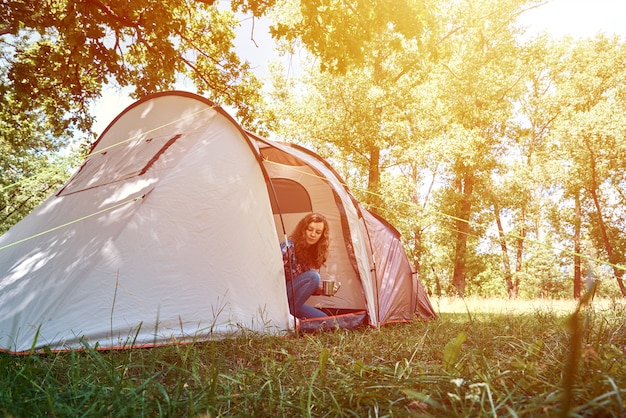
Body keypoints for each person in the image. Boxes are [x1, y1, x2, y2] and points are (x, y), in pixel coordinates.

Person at [281, 212, 330, 319]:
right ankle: (284, 321)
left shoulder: (309, 251)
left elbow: (300, 286)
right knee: (313, 276)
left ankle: (289, 318)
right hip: (278, 297)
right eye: (310, 229)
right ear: (303, 229)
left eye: (318, 232)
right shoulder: (288, 247)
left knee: (324, 319)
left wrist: (320, 290)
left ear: (322, 235)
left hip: (290, 302)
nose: (313, 234)